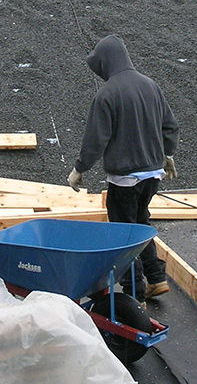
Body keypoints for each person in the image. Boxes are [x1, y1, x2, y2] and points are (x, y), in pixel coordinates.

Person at [67, 34, 179, 300]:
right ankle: (156, 277)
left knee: (123, 235)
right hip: (153, 174)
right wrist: (168, 154)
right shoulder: (151, 85)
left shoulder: (107, 94)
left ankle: (133, 293)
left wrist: (79, 169)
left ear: (105, 62)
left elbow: (96, 140)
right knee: (140, 224)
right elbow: (170, 125)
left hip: (125, 179)